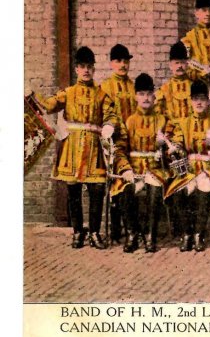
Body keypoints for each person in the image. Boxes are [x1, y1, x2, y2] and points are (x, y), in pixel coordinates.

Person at [30, 47, 119, 249]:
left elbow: (111, 115)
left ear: (94, 69)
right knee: (74, 191)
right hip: (72, 148)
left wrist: (109, 126)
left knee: (97, 190)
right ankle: (78, 232)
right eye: (82, 67)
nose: (86, 70)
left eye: (89, 67)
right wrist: (32, 94)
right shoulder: (68, 93)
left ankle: (95, 232)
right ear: (77, 69)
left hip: (95, 148)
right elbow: (49, 106)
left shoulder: (101, 95)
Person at [164, 80, 210, 252]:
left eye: (202, 98)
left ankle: (199, 234)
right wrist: (175, 148)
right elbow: (178, 142)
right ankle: (186, 233)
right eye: (195, 99)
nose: (199, 103)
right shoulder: (183, 123)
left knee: (205, 186)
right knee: (178, 189)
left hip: (208, 168)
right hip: (189, 168)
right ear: (190, 101)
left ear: (208, 101)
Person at [111, 73, 169, 253]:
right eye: (141, 94)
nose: (145, 98)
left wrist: (163, 149)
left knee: (154, 186)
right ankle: (132, 233)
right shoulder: (129, 121)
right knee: (124, 187)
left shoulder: (162, 120)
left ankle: (150, 235)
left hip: (154, 167)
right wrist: (126, 169)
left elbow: (172, 148)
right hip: (134, 168)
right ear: (136, 96)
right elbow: (120, 150)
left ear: (154, 96)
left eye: (148, 94)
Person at [100, 43, 137, 244]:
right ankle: (116, 229)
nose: (122, 65)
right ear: (111, 63)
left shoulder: (133, 86)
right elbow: (106, 113)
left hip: (134, 142)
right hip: (115, 142)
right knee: (118, 181)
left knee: (130, 182)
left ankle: (131, 228)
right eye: (118, 61)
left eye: (125, 61)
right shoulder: (106, 87)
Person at [156, 42, 194, 124]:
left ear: (187, 64)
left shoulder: (194, 86)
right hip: (172, 132)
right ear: (170, 65)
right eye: (176, 63)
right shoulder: (164, 89)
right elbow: (158, 114)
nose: (180, 66)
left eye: (182, 62)